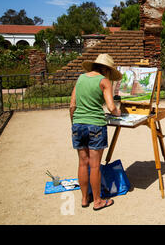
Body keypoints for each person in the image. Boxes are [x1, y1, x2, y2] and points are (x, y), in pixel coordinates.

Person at [69, 54, 122, 211]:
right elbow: (111, 107)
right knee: (94, 165)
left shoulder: (80, 79)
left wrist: (74, 123)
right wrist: (119, 113)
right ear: (106, 69)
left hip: (78, 124)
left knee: (82, 163)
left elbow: (72, 105)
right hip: (95, 126)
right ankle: (98, 201)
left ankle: (85, 199)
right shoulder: (104, 81)